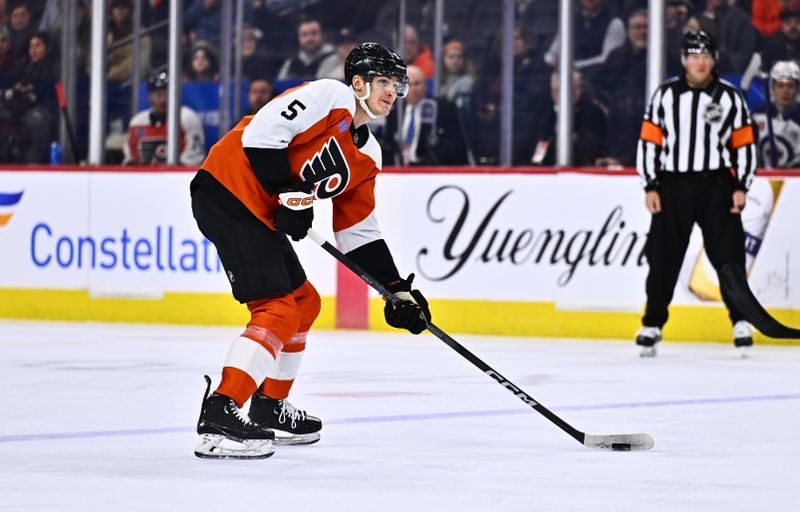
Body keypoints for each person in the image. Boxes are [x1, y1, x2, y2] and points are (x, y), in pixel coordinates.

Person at [189, 42, 431, 459]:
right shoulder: (329, 96)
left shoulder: (369, 153)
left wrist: (394, 289)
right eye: (383, 82)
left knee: (304, 303)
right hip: (226, 192)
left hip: (259, 212)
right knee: (278, 309)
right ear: (358, 83)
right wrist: (290, 196)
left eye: (397, 84)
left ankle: (269, 405)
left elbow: (357, 230)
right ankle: (221, 411)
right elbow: (263, 133)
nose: (392, 92)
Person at [634, 31, 757, 357]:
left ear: (713, 59)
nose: (700, 62)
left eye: (706, 56)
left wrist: (741, 186)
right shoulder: (664, 96)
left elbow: (743, 145)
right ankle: (652, 323)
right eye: (694, 55)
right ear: (684, 60)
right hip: (673, 186)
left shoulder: (730, 97)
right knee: (663, 257)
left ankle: (740, 320)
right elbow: (649, 143)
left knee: (728, 256)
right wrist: (650, 185)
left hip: (716, 185)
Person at [374, 65, 468, 166]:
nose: (413, 89)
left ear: (425, 84)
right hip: (399, 170)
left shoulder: (443, 108)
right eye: (409, 85)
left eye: (417, 84)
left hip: (430, 170)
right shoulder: (394, 110)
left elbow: (457, 145)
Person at [123, 71, 206, 166]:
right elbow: (131, 159)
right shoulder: (137, 123)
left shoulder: (188, 118)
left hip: (178, 179)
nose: (163, 100)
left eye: (168, 94)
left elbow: (193, 159)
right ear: (150, 97)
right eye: (158, 95)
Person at [528, 70, 607, 167]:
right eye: (556, 89)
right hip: (545, 170)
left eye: (571, 89)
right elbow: (533, 142)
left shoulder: (592, 112)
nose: (562, 94)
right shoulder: (543, 111)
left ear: (580, 89)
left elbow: (590, 147)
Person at [752, 60, 800, 168]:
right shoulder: (757, 115)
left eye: (790, 86)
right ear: (772, 88)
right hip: (761, 179)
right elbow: (739, 146)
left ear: (798, 89)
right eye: (780, 85)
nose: (785, 91)